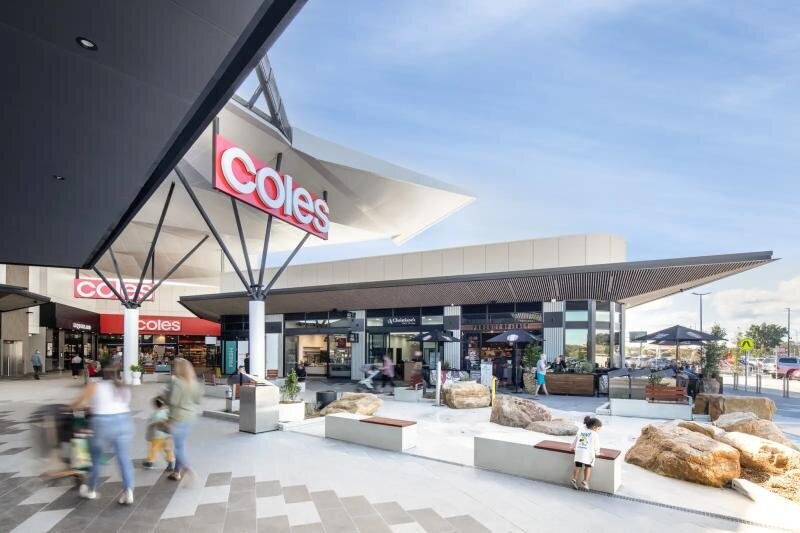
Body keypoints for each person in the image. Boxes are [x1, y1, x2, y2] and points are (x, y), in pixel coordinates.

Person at [71, 365, 135, 504]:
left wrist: (72, 407)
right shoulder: (124, 387)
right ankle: (128, 491)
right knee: (124, 457)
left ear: (102, 373)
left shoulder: (95, 385)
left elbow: (78, 404)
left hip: (102, 423)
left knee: (96, 458)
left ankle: (92, 490)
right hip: (124, 421)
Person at [167, 358, 203, 481]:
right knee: (180, 445)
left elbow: (173, 401)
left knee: (178, 448)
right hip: (190, 418)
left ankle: (189, 470)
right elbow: (198, 400)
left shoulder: (177, 382)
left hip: (178, 418)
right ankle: (176, 472)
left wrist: (170, 419)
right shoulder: (193, 382)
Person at [571, 416, 602, 491]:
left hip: (579, 452)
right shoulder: (595, 434)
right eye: (599, 429)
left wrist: (572, 447)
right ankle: (585, 481)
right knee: (588, 467)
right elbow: (596, 446)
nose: (599, 431)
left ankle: (574, 479)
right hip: (588, 454)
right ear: (594, 427)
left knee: (578, 466)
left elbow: (575, 440)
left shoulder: (581, 431)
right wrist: (597, 453)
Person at [143, 397, 175, 470]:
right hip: (167, 435)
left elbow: (151, 424)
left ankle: (150, 462)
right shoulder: (168, 412)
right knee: (168, 450)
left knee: (154, 449)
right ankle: (171, 463)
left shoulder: (155, 414)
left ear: (156, 405)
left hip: (157, 436)